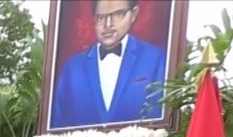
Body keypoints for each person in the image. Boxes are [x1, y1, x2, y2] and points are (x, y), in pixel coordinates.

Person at [50, 0, 168, 130]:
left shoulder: (156, 59)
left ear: (134, 14)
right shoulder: (72, 68)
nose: (108, 24)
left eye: (117, 15)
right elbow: (58, 125)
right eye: (101, 17)